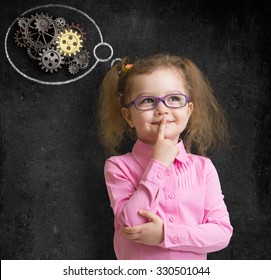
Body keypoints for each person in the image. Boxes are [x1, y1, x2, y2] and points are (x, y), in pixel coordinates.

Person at [98, 53, 233, 260]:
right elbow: (133, 224)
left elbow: (222, 233)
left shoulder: (203, 168)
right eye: (148, 100)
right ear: (129, 116)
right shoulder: (118, 167)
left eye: (174, 99)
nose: (162, 109)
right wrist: (158, 164)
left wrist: (166, 234)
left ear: (188, 111)